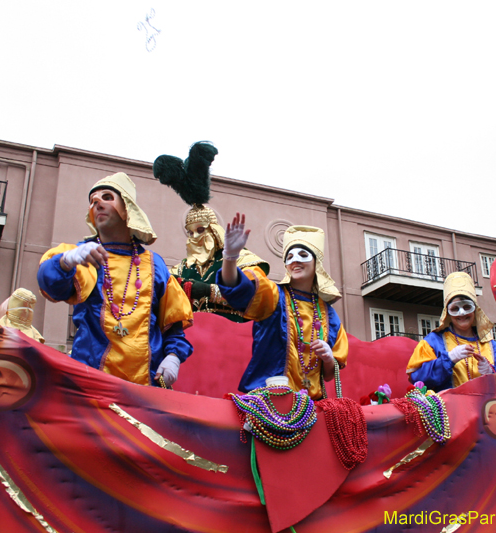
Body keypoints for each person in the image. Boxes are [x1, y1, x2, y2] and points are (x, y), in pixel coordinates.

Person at [37, 172, 193, 387]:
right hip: (89, 388)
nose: (97, 203)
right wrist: (65, 262)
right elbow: (51, 285)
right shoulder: (82, 256)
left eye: (107, 197)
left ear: (126, 207)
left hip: (145, 391)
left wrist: (174, 356)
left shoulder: (155, 265)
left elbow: (173, 327)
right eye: (93, 201)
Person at [217, 216, 347, 399]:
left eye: (303, 255)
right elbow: (236, 288)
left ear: (316, 262)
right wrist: (230, 257)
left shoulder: (330, 317)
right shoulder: (274, 296)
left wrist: (327, 357)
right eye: (290, 256)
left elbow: (328, 375)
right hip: (269, 400)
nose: (295, 261)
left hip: (311, 406)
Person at [153, 142, 269, 322]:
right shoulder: (181, 268)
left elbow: (255, 297)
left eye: (200, 230)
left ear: (214, 231)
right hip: (191, 338)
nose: (194, 237)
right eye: (190, 233)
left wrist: (206, 291)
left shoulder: (243, 259)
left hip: (232, 335)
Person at [406, 271, 496, 392]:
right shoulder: (433, 342)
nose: (462, 313)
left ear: (475, 310)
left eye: (467, 307)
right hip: (449, 409)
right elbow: (417, 379)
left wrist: (492, 374)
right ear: (448, 312)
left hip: (486, 409)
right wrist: (448, 359)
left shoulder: (492, 347)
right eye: (455, 308)